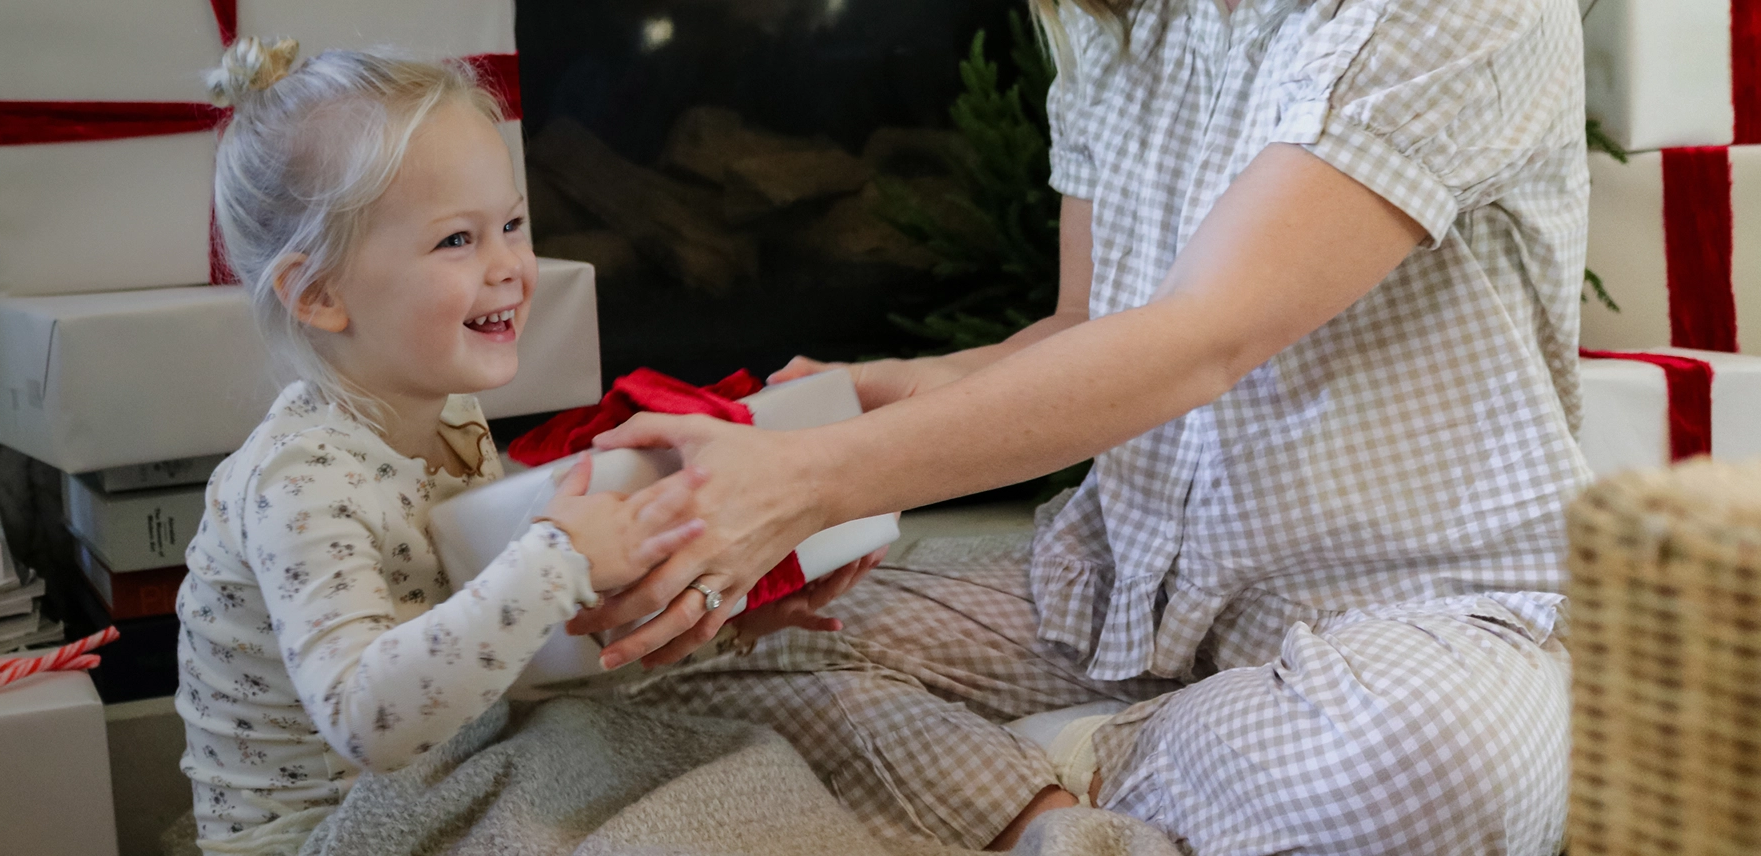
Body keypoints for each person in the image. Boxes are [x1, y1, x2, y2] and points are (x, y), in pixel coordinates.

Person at [569, 0, 1588, 852]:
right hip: (1120, 589)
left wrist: (825, 475)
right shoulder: (1115, 16)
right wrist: (895, 392)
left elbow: (1203, 334)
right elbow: (1091, 321)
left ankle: (1046, 765)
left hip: (1420, 612)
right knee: (695, 649)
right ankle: (1053, 818)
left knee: (1442, 768)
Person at [171, 38, 714, 851]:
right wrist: (557, 560)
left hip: (435, 776)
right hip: (327, 833)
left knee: (702, 740)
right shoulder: (302, 480)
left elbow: (486, 634)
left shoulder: (447, 416)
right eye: (457, 240)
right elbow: (366, 719)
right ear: (320, 294)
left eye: (512, 224)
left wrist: (697, 601)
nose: (512, 267)